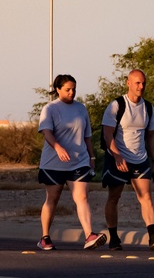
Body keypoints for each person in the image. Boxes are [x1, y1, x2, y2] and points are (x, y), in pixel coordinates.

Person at [36, 74, 107, 251]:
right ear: (58, 89)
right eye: (67, 89)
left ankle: (89, 235)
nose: (71, 92)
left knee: (82, 197)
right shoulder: (50, 109)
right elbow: (46, 132)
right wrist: (58, 148)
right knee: (52, 198)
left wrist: (91, 158)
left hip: (79, 161)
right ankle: (45, 237)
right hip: (54, 164)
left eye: (74, 89)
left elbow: (87, 136)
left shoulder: (81, 109)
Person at [101, 68, 154, 250]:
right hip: (118, 157)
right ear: (128, 83)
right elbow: (107, 134)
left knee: (146, 196)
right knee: (114, 196)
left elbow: (152, 136)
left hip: (140, 159)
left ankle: (153, 236)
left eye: (143, 83)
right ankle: (114, 237)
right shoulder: (116, 105)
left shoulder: (148, 107)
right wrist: (117, 156)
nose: (141, 87)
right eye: (137, 83)